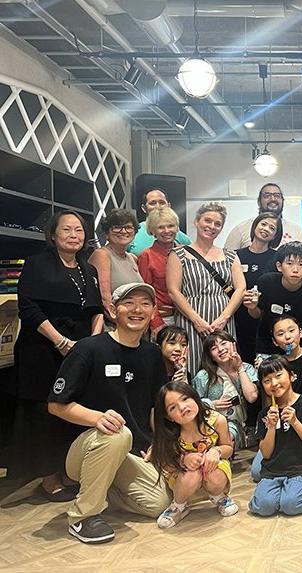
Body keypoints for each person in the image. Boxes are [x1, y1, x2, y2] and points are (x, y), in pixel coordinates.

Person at [47, 283, 170, 544]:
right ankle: (82, 517)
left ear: (153, 311)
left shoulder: (152, 354)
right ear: (113, 310)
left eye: (145, 304)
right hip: (86, 449)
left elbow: (154, 408)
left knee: (158, 503)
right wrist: (96, 418)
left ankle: (100, 489)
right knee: (116, 433)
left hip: (130, 452)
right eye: (129, 303)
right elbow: (56, 404)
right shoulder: (88, 349)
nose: (137, 310)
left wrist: (158, 444)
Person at [11, 211, 103, 500]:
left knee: (70, 409)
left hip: (79, 349)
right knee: (43, 412)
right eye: (67, 230)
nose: (74, 235)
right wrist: (60, 341)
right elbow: (28, 307)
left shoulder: (88, 269)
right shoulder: (37, 264)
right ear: (53, 234)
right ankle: (48, 477)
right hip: (41, 347)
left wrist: (92, 343)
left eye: (79, 230)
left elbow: (96, 310)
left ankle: (66, 470)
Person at [166, 202, 246, 375]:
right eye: (207, 221)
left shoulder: (231, 255)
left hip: (223, 321)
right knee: (192, 365)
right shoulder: (178, 254)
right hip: (190, 321)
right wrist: (196, 320)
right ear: (196, 221)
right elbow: (173, 290)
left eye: (217, 224)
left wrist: (224, 318)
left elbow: (240, 289)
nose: (212, 226)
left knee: (227, 368)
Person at [150, 382, 238, 529]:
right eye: (173, 408)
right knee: (192, 475)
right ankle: (178, 506)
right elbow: (165, 459)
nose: (182, 407)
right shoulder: (170, 432)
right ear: (169, 417)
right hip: (183, 474)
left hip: (212, 467)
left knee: (215, 475)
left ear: (195, 397)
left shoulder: (217, 420)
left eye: (185, 399)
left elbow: (228, 448)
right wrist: (183, 460)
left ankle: (219, 497)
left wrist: (216, 451)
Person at [249, 355, 302, 517]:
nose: (274, 383)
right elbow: (266, 454)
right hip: (272, 471)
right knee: (263, 507)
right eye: (267, 381)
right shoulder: (264, 413)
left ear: (291, 375)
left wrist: (295, 422)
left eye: (278, 375)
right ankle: (279, 492)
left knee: (291, 505)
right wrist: (270, 427)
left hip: (299, 469)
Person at [246, 242, 302, 359]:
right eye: (289, 263)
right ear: (279, 266)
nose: (295, 269)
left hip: (298, 350)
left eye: (301, 264)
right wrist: (252, 307)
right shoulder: (266, 282)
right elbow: (256, 315)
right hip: (267, 347)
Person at [191, 331, 259, 449]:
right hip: (210, 423)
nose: (221, 349)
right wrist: (211, 404)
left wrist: (239, 368)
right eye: (214, 348)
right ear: (210, 355)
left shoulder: (247, 368)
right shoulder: (203, 376)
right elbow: (192, 404)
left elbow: (252, 397)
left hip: (238, 425)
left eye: (223, 343)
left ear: (233, 345)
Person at [235, 212, 280, 362]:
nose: (266, 229)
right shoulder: (235, 256)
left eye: (272, 228)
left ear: (275, 235)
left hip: (265, 316)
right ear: (255, 225)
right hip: (238, 315)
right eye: (263, 224)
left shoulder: (277, 258)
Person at [223, 183, 302, 251]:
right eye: (267, 196)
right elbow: (227, 261)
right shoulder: (241, 229)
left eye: (277, 196)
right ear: (259, 201)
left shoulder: (297, 231)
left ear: (283, 201)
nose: (273, 199)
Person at [89, 208, 144, 314]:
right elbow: (104, 297)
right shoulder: (102, 255)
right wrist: (116, 318)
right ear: (107, 233)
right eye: (117, 227)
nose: (123, 231)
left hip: (134, 318)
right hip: (114, 322)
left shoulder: (132, 258)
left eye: (128, 227)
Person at [137, 207, 183, 332]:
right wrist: (156, 323)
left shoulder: (187, 253)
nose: (167, 231)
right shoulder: (146, 256)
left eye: (171, 226)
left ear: (177, 227)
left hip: (189, 316)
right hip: (164, 318)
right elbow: (145, 293)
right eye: (161, 227)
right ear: (152, 231)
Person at [127, 188, 191, 256]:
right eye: (152, 203)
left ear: (169, 206)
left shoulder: (182, 238)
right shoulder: (133, 233)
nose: (158, 206)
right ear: (144, 208)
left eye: (162, 202)